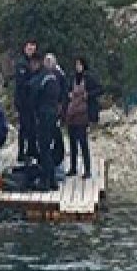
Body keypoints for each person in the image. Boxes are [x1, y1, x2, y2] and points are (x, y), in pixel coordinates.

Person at [30, 55, 64, 191]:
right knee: (48, 148)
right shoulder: (53, 76)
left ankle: (45, 181)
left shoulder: (41, 78)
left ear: (37, 63)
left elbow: (33, 96)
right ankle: (53, 181)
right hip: (53, 114)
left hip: (44, 115)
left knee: (44, 149)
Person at [64, 61, 93, 179]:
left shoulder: (89, 78)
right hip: (71, 113)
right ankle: (73, 167)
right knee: (72, 142)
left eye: (79, 65)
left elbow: (100, 89)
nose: (77, 67)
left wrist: (88, 95)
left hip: (83, 114)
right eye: (76, 65)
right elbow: (66, 90)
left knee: (83, 142)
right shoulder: (72, 78)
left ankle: (87, 169)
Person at [13, 40, 39, 162]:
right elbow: (22, 84)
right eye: (29, 48)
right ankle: (22, 152)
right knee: (24, 128)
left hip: (31, 102)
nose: (31, 51)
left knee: (32, 127)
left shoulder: (31, 62)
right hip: (24, 102)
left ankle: (31, 149)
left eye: (33, 49)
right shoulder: (22, 64)